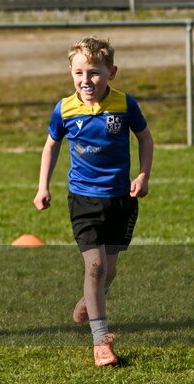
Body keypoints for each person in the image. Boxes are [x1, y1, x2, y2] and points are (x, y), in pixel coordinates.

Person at [34, 37, 153, 367]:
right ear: (70, 73)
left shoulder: (125, 105)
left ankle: (89, 301)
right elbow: (51, 146)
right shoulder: (64, 109)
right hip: (84, 200)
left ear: (111, 72)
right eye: (78, 73)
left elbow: (145, 138)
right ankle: (101, 341)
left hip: (120, 199)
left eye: (94, 73)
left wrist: (143, 175)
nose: (86, 81)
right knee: (96, 266)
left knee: (109, 270)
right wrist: (43, 186)